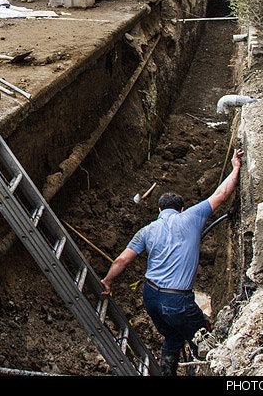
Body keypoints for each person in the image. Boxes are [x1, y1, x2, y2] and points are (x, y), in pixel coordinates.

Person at [101, 149, 243, 376]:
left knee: (174, 336)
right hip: (176, 299)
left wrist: (107, 281)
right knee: (204, 338)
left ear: (159, 210)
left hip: (150, 297)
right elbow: (221, 195)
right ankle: (201, 371)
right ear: (182, 209)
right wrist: (235, 168)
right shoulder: (192, 217)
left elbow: (122, 259)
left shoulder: (147, 230)